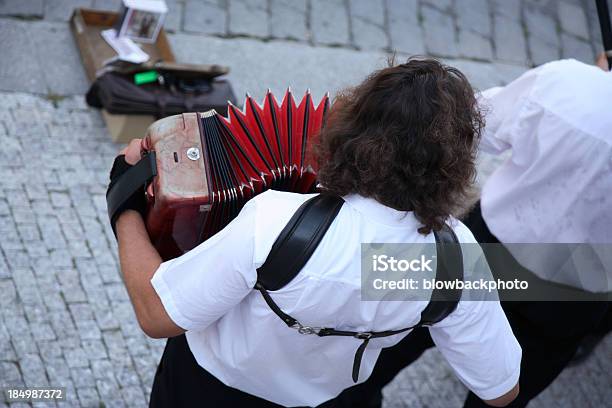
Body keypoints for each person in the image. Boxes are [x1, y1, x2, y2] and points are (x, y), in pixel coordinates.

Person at [107, 58, 521, 407]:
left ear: (353, 129)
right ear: (454, 168)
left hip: (206, 390)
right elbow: (502, 391)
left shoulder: (273, 220)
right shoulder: (456, 260)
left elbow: (157, 314)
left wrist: (124, 204)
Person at [344, 55, 612, 407]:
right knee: (509, 389)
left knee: (400, 336)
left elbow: (478, 122)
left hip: (492, 247)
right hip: (576, 291)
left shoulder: (567, 84)